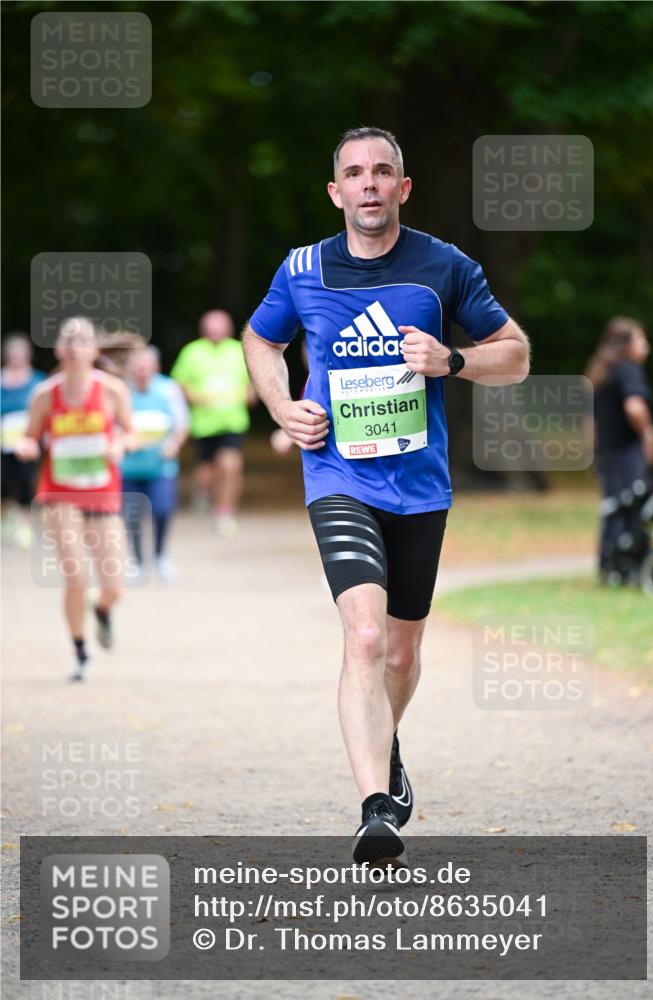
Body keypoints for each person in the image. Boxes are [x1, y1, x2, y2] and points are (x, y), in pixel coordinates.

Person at [243, 126, 530, 863]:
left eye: (382, 172)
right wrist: (281, 407)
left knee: (401, 653)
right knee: (364, 636)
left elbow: (517, 355)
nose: (368, 184)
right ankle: (375, 807)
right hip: (337, 474)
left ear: (402, 187)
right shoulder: (302, 267)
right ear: (335, 192)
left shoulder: (444, 265)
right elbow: (259, 340)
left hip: (419, 485)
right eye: (353, 174)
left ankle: (385, 744)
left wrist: (452, 357)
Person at [14, 317, 134, 681]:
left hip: (102, 493)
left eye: (82, 340)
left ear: (94, 350)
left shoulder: (112, 391)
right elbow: (31, 436)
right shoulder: (45, 394)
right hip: (59, 492)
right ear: (59, 350)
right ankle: (80, 652)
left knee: (114, 587)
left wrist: (119, 444)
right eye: (68, 339)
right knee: (76, 574)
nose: (74, 346)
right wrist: (25, 445)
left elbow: (131, 433)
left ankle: (101, 612)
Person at [171, 310, 255, 537]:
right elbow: (178, 384)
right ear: (204, 329)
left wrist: (249, 395)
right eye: (212, 327)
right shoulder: (192, 351)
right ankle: (205, 492)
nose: (216, 331)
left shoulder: (238, 350)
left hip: (232, 422)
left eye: (220, 327)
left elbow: (254, 381)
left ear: (228, 329)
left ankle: (225, 512)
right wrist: (196, 398)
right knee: (206, 474)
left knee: (230, 465)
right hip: (204, 424)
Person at [585, 316, 653, 583]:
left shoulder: (600, 372)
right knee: (632, 506)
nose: (646, 346)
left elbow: (590, 421)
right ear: (627, 345)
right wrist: (648, 434)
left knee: (611, 508)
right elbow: (634, 407)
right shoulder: (628, 369)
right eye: (641, 340)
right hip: (627, 452)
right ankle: (630, 565)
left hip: (606, 452)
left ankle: (609, 567)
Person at [122, 345, 188, 581]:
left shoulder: (168, 389)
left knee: (162, 510)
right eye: (136, 367)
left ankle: (161, 556)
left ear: (154, 367)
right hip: (128, 467)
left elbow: (181, 425)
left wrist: (173, 445)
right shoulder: (121, 391)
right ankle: (137, 561)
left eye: (145, 366)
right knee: (131, 515)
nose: (140, 371)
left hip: (161, 466)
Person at [1, 332, 45, 547]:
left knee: (26, 482)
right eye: (13, 353)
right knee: (3, 482)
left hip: (29, 440)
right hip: (4, 443)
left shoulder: (37, 381)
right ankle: (5, 517)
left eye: (21, 353)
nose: (16, 357)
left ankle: (25, 524)